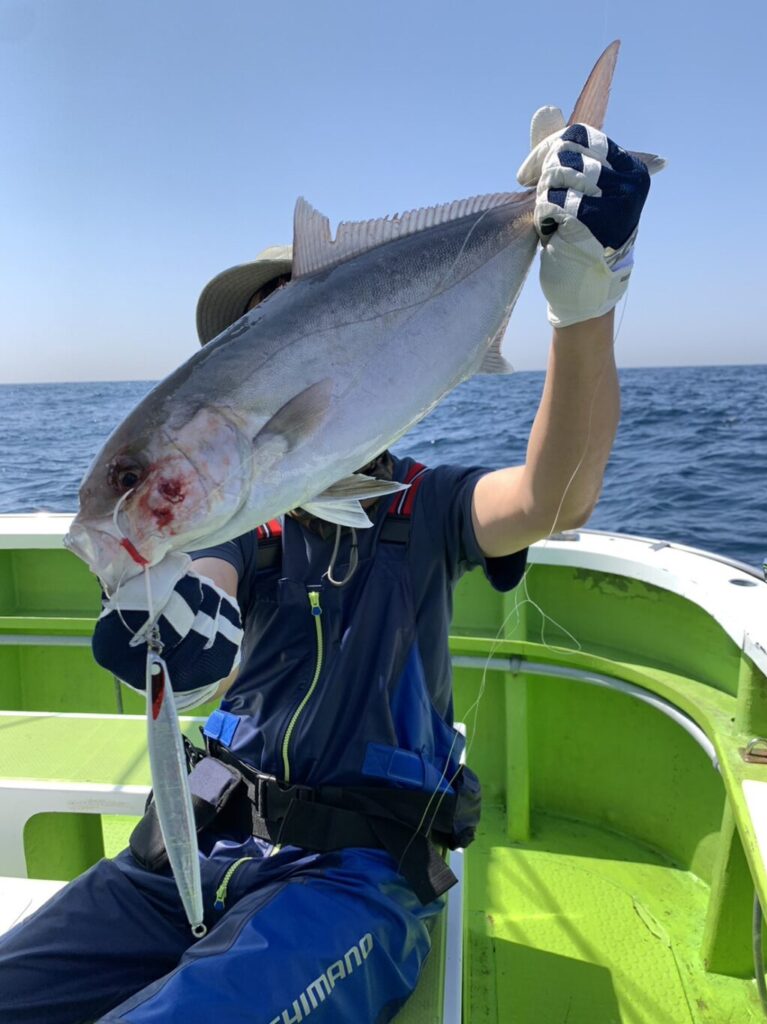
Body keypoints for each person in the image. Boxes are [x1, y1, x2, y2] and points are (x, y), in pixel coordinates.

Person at [0, 120, 652, 1023]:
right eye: (257, 336)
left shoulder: (429, 507)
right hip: (183, 856)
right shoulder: (239, 527)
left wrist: (586, 301)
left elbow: (556, 496)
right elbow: (208, 586)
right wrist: (162, 609)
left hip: (352, 881)